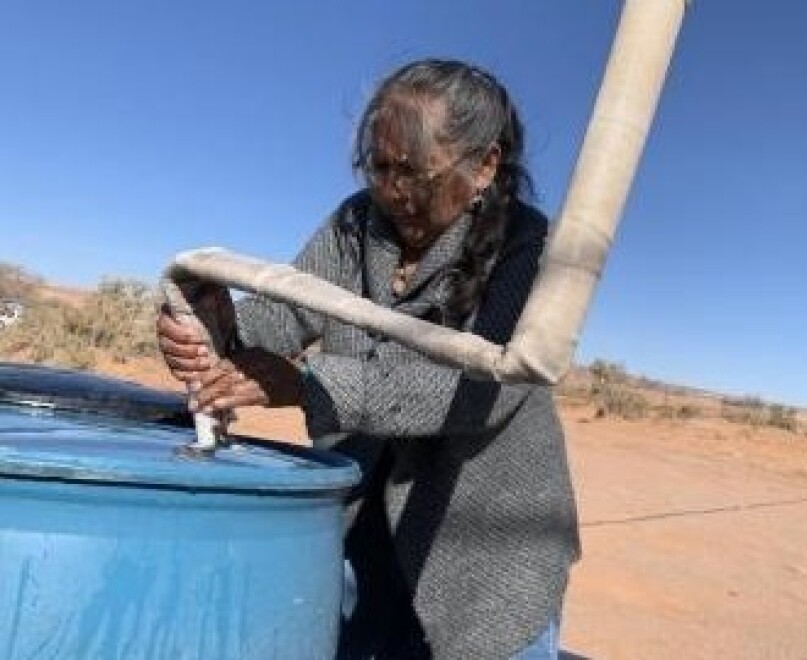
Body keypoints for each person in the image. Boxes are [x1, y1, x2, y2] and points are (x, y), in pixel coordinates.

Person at [157, 58, 580, 660]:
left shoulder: (530, 249)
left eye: (416, 174)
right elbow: (280, 319)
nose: (393, 191)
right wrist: (213, 327)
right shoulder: (355, 225)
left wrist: (307, 386)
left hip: (485, 553)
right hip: (362, 533)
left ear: (484, 166)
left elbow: (479, 394)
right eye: (379, 168)